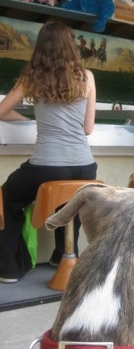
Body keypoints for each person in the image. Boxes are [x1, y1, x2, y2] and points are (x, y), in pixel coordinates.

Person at [0, 21, 97, 283]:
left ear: (41, 47)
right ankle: (64, 255)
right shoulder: (86, 76)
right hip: (85, 166)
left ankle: (8, 269)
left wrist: (26, 120)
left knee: (8, 198)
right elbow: (88, 129)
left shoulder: (32, 76)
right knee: (70, 201)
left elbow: (1, 110)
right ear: (72, 46)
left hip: (46, 165)